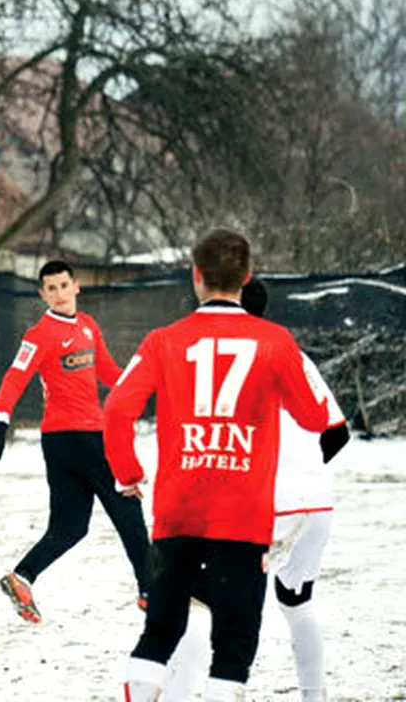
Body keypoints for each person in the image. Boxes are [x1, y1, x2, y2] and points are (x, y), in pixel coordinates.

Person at [102, 229, 333, 702]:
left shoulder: (163, 339)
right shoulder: (274, 341)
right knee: (233, 645)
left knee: (160, 631)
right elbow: (314, 416)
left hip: (178, 508)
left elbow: (116, 410)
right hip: (243, 513)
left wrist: (127, 473)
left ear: (196, 277)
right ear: (247, 278)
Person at [161, 279, 351, 702]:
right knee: (297, 603)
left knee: (196, 604)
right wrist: (303, 472)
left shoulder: (224, 356)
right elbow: (337, 434)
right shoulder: (293, 353)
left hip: (266, 503)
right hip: (317, 504)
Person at [0, 260, 149, 623]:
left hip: (61, 442)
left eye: (63, 285)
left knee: (70, 527)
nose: (58, 293)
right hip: (81, 437)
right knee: (128, 508)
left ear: (76, 287)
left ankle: (22, 576)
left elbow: (107, 372)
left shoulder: (88, 326)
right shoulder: (40, 334)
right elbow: (15, 377)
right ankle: (151, 591)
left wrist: (144, 384)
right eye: (50, 288)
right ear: (42, 294)